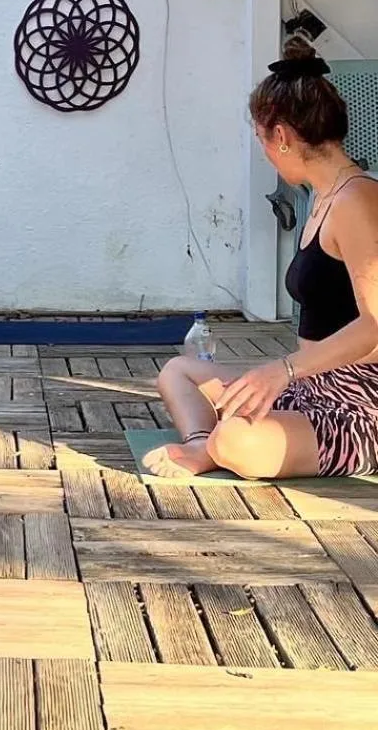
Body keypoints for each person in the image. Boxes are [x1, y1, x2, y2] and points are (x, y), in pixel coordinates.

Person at [148, 40, 378, 480]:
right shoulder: (325, 197)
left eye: (262, 139)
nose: (265, 152)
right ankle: (203, 445)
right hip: (312, 387)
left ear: (282, 136)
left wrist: (282, 370)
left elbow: (375, 324)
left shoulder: (358, 199)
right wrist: (286, 376)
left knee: (237, 439)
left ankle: (216, 446)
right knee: (179, 372)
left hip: (360, 406)